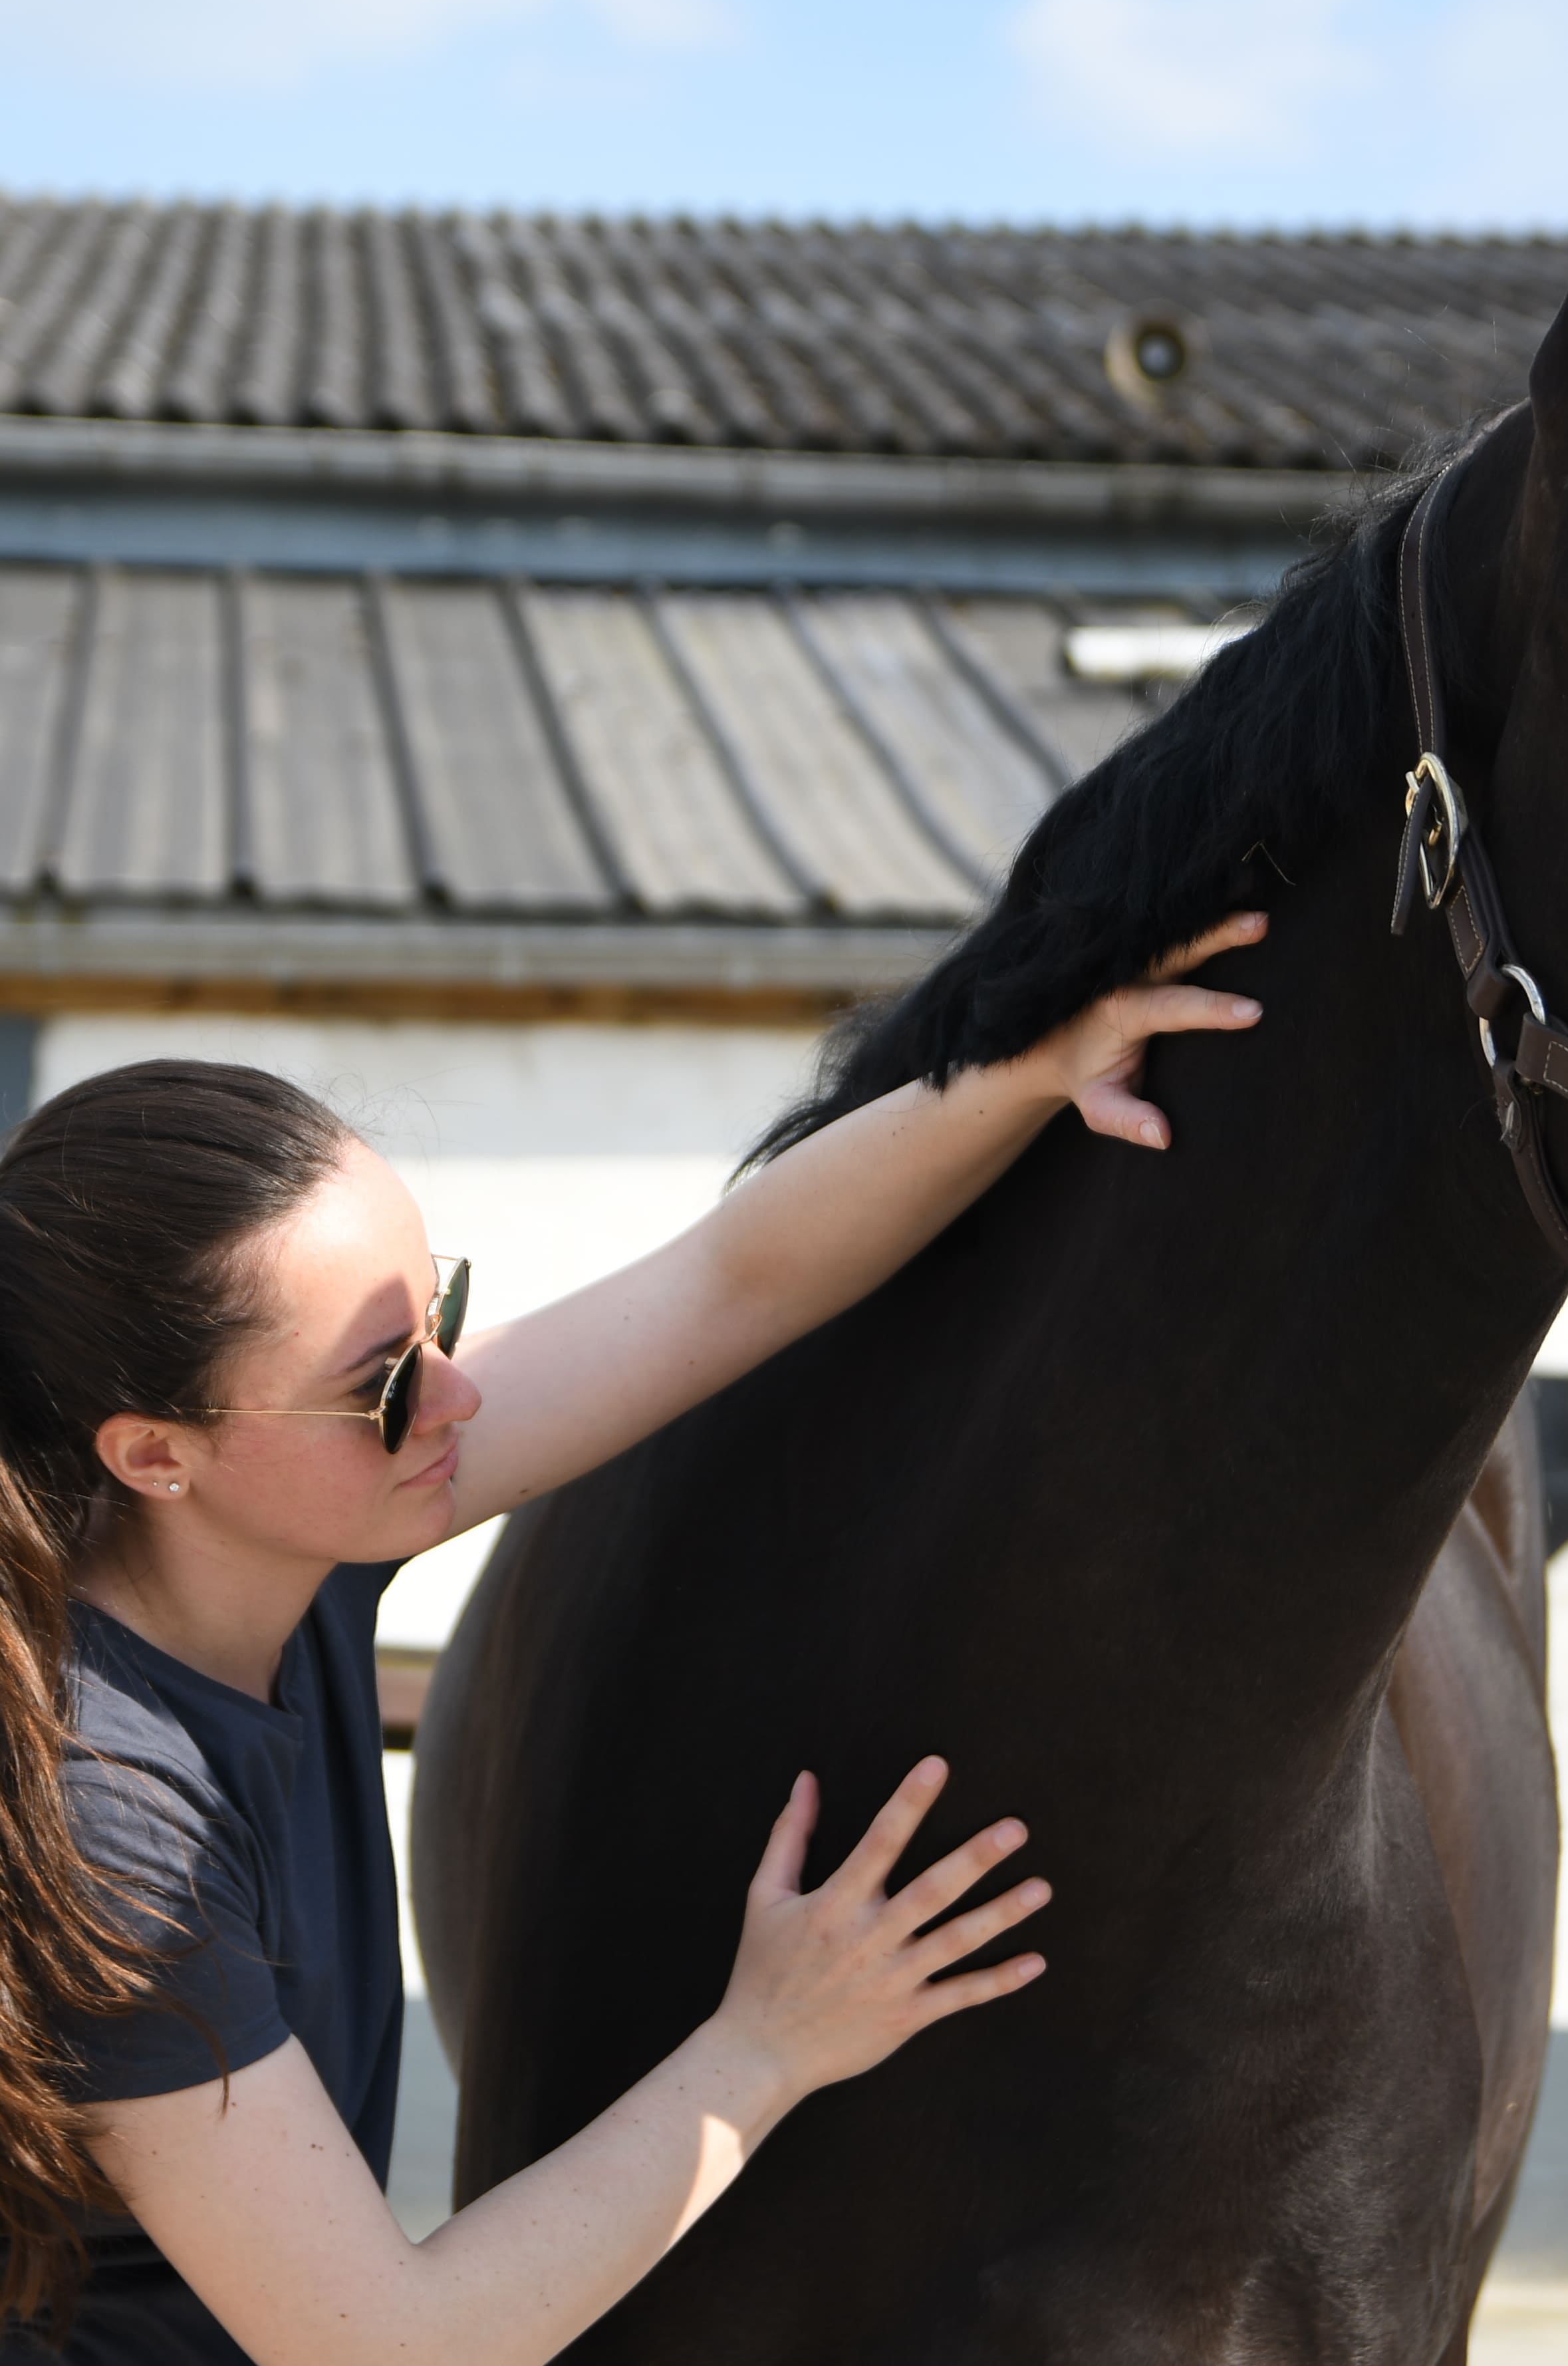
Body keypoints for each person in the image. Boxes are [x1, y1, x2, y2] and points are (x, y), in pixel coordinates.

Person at [0, 915, 1265, 2365]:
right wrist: (768, 2044)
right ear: (157, 1452)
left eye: (443, 1313)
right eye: (383, 1383)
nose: (459, 1398)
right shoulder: (111, 1811)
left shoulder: (283, 1534)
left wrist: (1019, 1071)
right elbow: (393, 2344)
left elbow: (726, 1283)